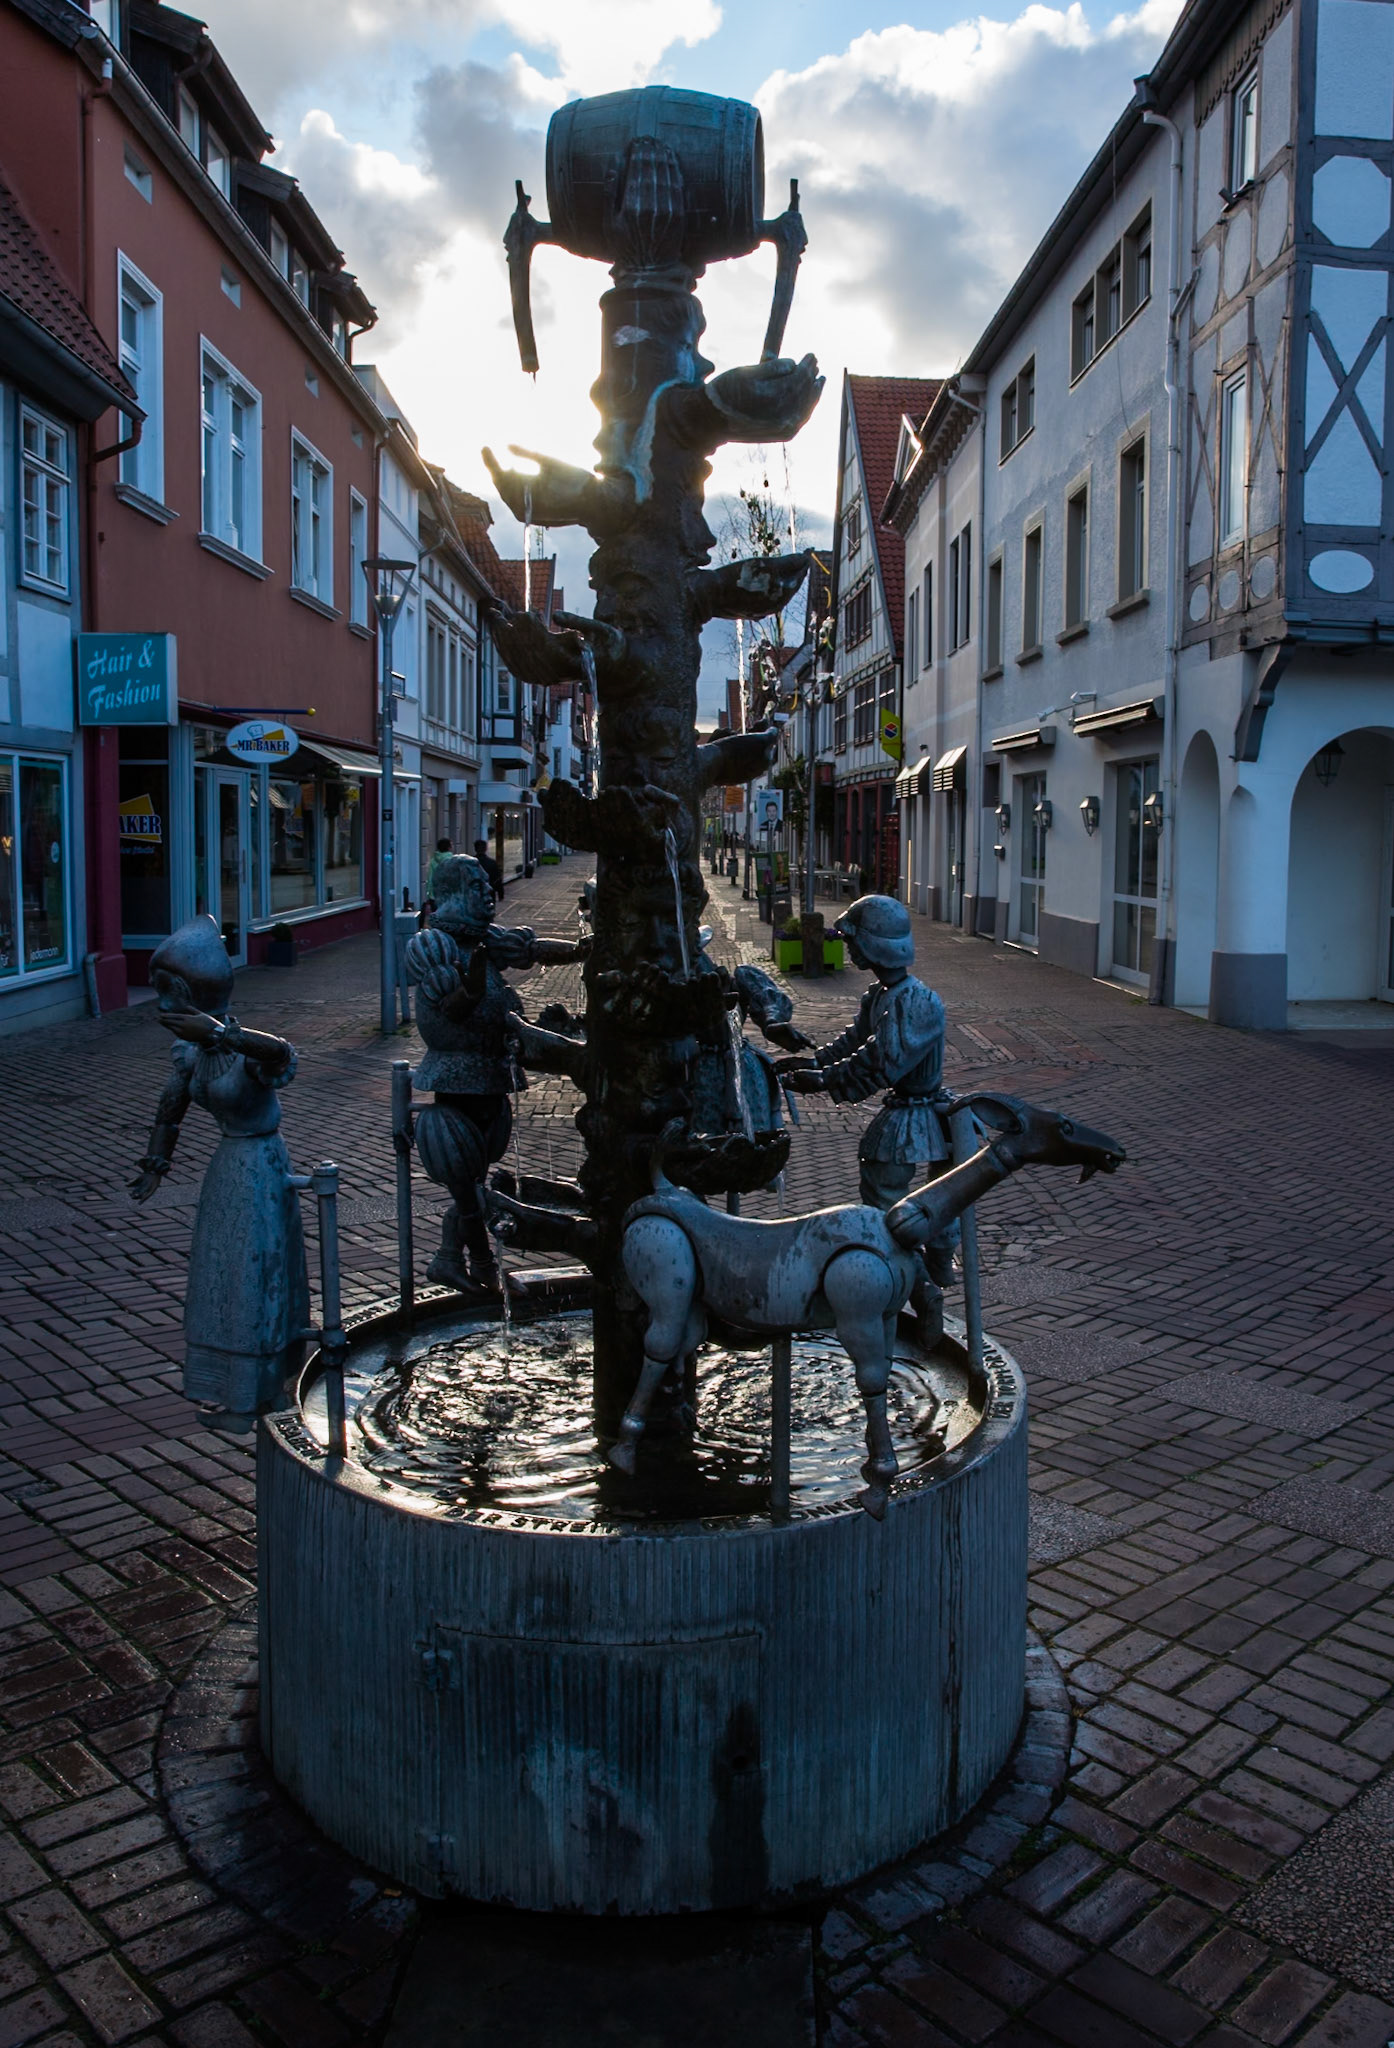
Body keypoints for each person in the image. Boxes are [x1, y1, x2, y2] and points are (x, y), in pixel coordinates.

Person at [129, 916, 309, 1430]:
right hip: (227, 1169)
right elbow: (170, 1110)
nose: (163, 1009)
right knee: (222, 1274)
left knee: (259, 1273)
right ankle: (230, 1389)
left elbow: (281, 1055)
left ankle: (268, 1383)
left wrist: (221, 1034)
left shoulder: (241, 1052)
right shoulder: (188, 1055)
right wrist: (154, 1165)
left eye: (171, 996)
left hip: (262, 1167)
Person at [406, 856, 586, 1290]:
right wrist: (469, 992)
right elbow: (449, 1006)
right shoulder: (435, 944)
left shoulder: (485, 940)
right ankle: (482, 1264)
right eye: (476, 885)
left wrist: (584, 949)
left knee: (473, 1180)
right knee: (466, 1179)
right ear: (451, 893)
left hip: (490, 1073)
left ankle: (452, 1258)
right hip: (457, 1078)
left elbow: (531, 949)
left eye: (488, 883)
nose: (488, 891)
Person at [773, 894, 959, 1282]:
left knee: (901, 1202)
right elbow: (853, 1042)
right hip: (904, 1110)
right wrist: (814, 1062)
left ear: (874, 944)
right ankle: (909, 1279)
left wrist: (824, 1079)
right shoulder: (878, 995)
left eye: (853, 940)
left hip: (919, 1114)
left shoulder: (917, 1001)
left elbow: (881, 1059)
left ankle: (925, 1282)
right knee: (884, 1194)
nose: (847, 947)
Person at [425, 836, 453, 906]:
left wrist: (429, 894)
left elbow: (430, 878)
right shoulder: (453, 860)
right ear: (449, 848)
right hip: (449, 896)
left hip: (434, 895)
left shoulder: (433, 860)